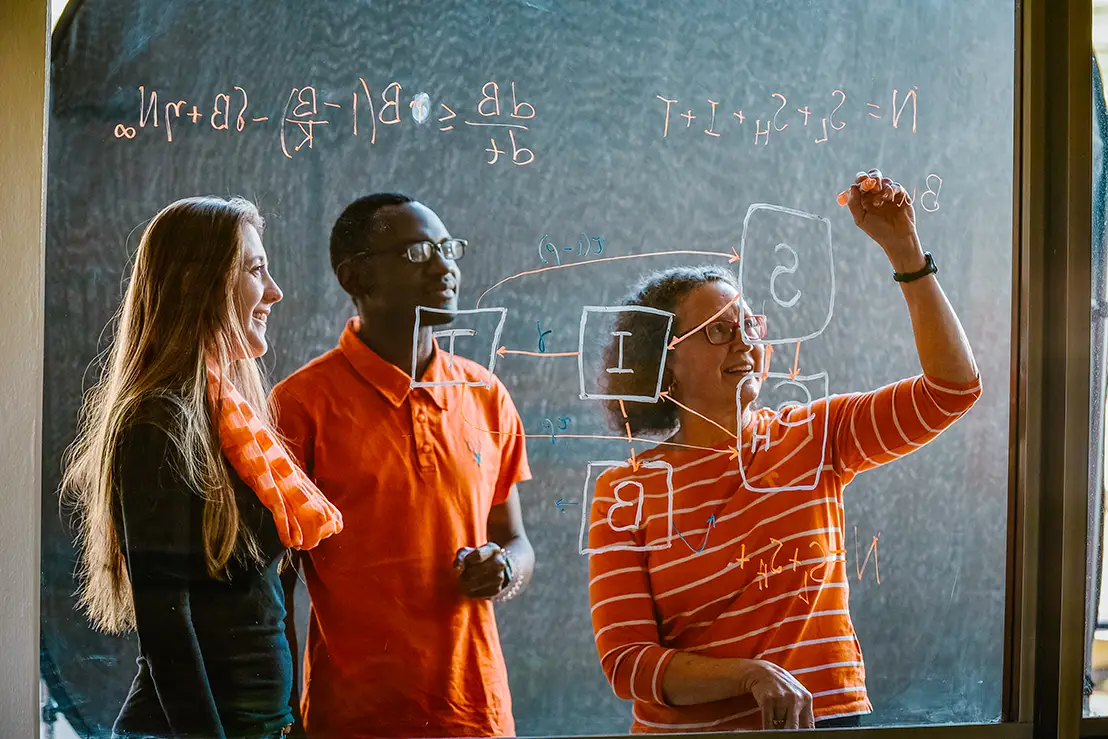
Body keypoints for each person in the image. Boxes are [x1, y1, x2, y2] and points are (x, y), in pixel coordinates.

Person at [587, 169, 982, 732]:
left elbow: (952, 390)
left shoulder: (817, 434)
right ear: (663, 366)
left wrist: (906, 251)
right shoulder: (626, 491)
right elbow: (628, 662)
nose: (746, 341)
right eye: (720, 331)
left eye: (750, 325)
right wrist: (749, 675)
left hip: (826, 724)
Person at [61, 196, 343, 739]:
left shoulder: (237, 424)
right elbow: (166, 627)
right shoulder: (156, 423)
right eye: (257, 271)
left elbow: (265, 605)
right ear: (200, 284)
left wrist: (292, 724)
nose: (276, 292)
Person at [271, 193, 536, 739]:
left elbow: (517, 541)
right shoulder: (299, 407)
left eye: (449, 248)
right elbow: (275, 586)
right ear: (356, 278)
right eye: (418, 252)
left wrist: (504, 569)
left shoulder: (485, 395)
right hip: (352, 723)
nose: (447, 267)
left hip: (478, 717)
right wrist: (281, 716)